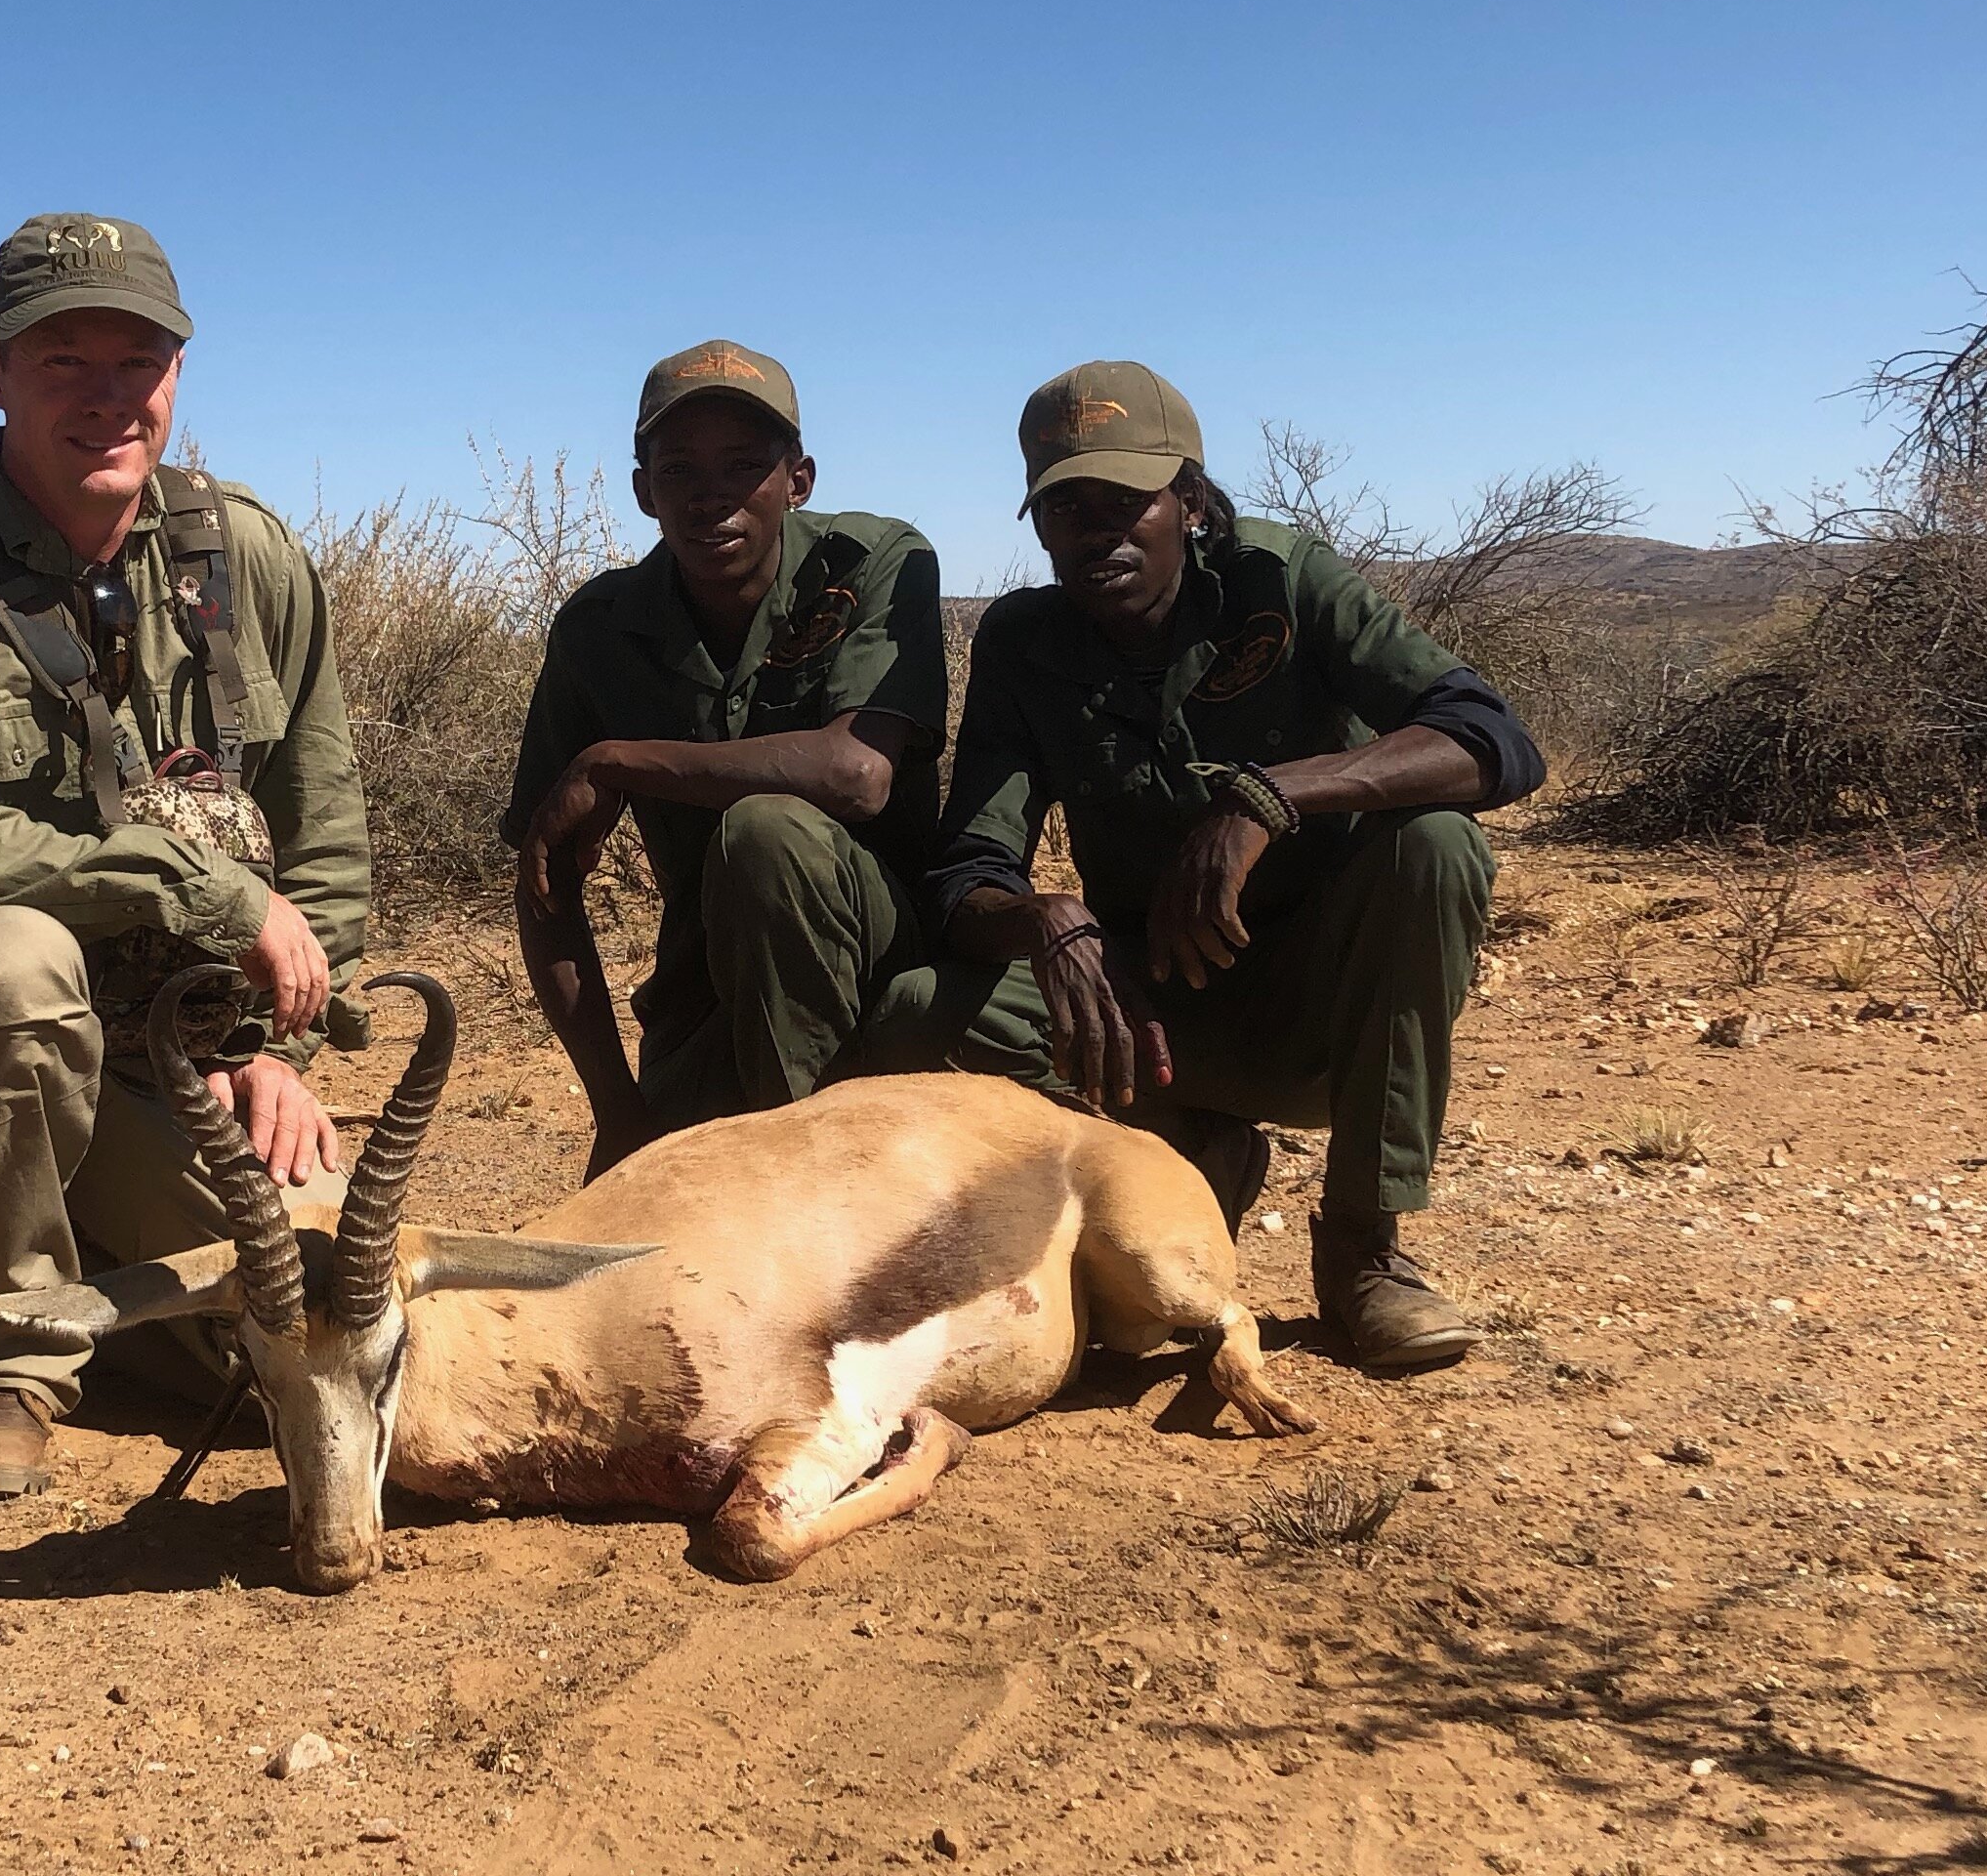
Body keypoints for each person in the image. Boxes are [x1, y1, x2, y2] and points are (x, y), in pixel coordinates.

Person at [0, 213, 372, 1499]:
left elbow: (324, 836)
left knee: (316, 1319)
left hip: (170, 1047)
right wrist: (200, 886)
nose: (111, 400)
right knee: (11, 959)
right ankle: (5, 1360)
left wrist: (269, 1050)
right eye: (66, 365)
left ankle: (112, 1298)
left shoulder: (247, 555)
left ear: (178, 371)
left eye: (139, 363)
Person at [926, 360, 1542, 1374]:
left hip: (1321, 1011)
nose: (1098, 531)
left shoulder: (1287, 582)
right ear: (1038, 524)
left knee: (1435, 845)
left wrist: (1269, 796)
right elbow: (966, 867)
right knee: (920, 996)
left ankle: (1363, 1253)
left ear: (1192, 504)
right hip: (1148, 1018)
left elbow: (1491, 742)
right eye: (1066, 505)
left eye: (1128, 501)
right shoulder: (1025, 641)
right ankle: (1185, 1149)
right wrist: (1048, 918)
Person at [507, 340, 949, 1169]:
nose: (713, 497)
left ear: (799, 478)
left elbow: (857, 775)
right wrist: (616, 1109)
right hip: (714, 1001)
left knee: (768, 832)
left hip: (900, 983)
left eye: (744, 465)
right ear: (643, 490)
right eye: (680, 471)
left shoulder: (874, 562)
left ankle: (798, 1170)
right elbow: (544, 880)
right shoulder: (600, 628)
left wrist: (616, 761)